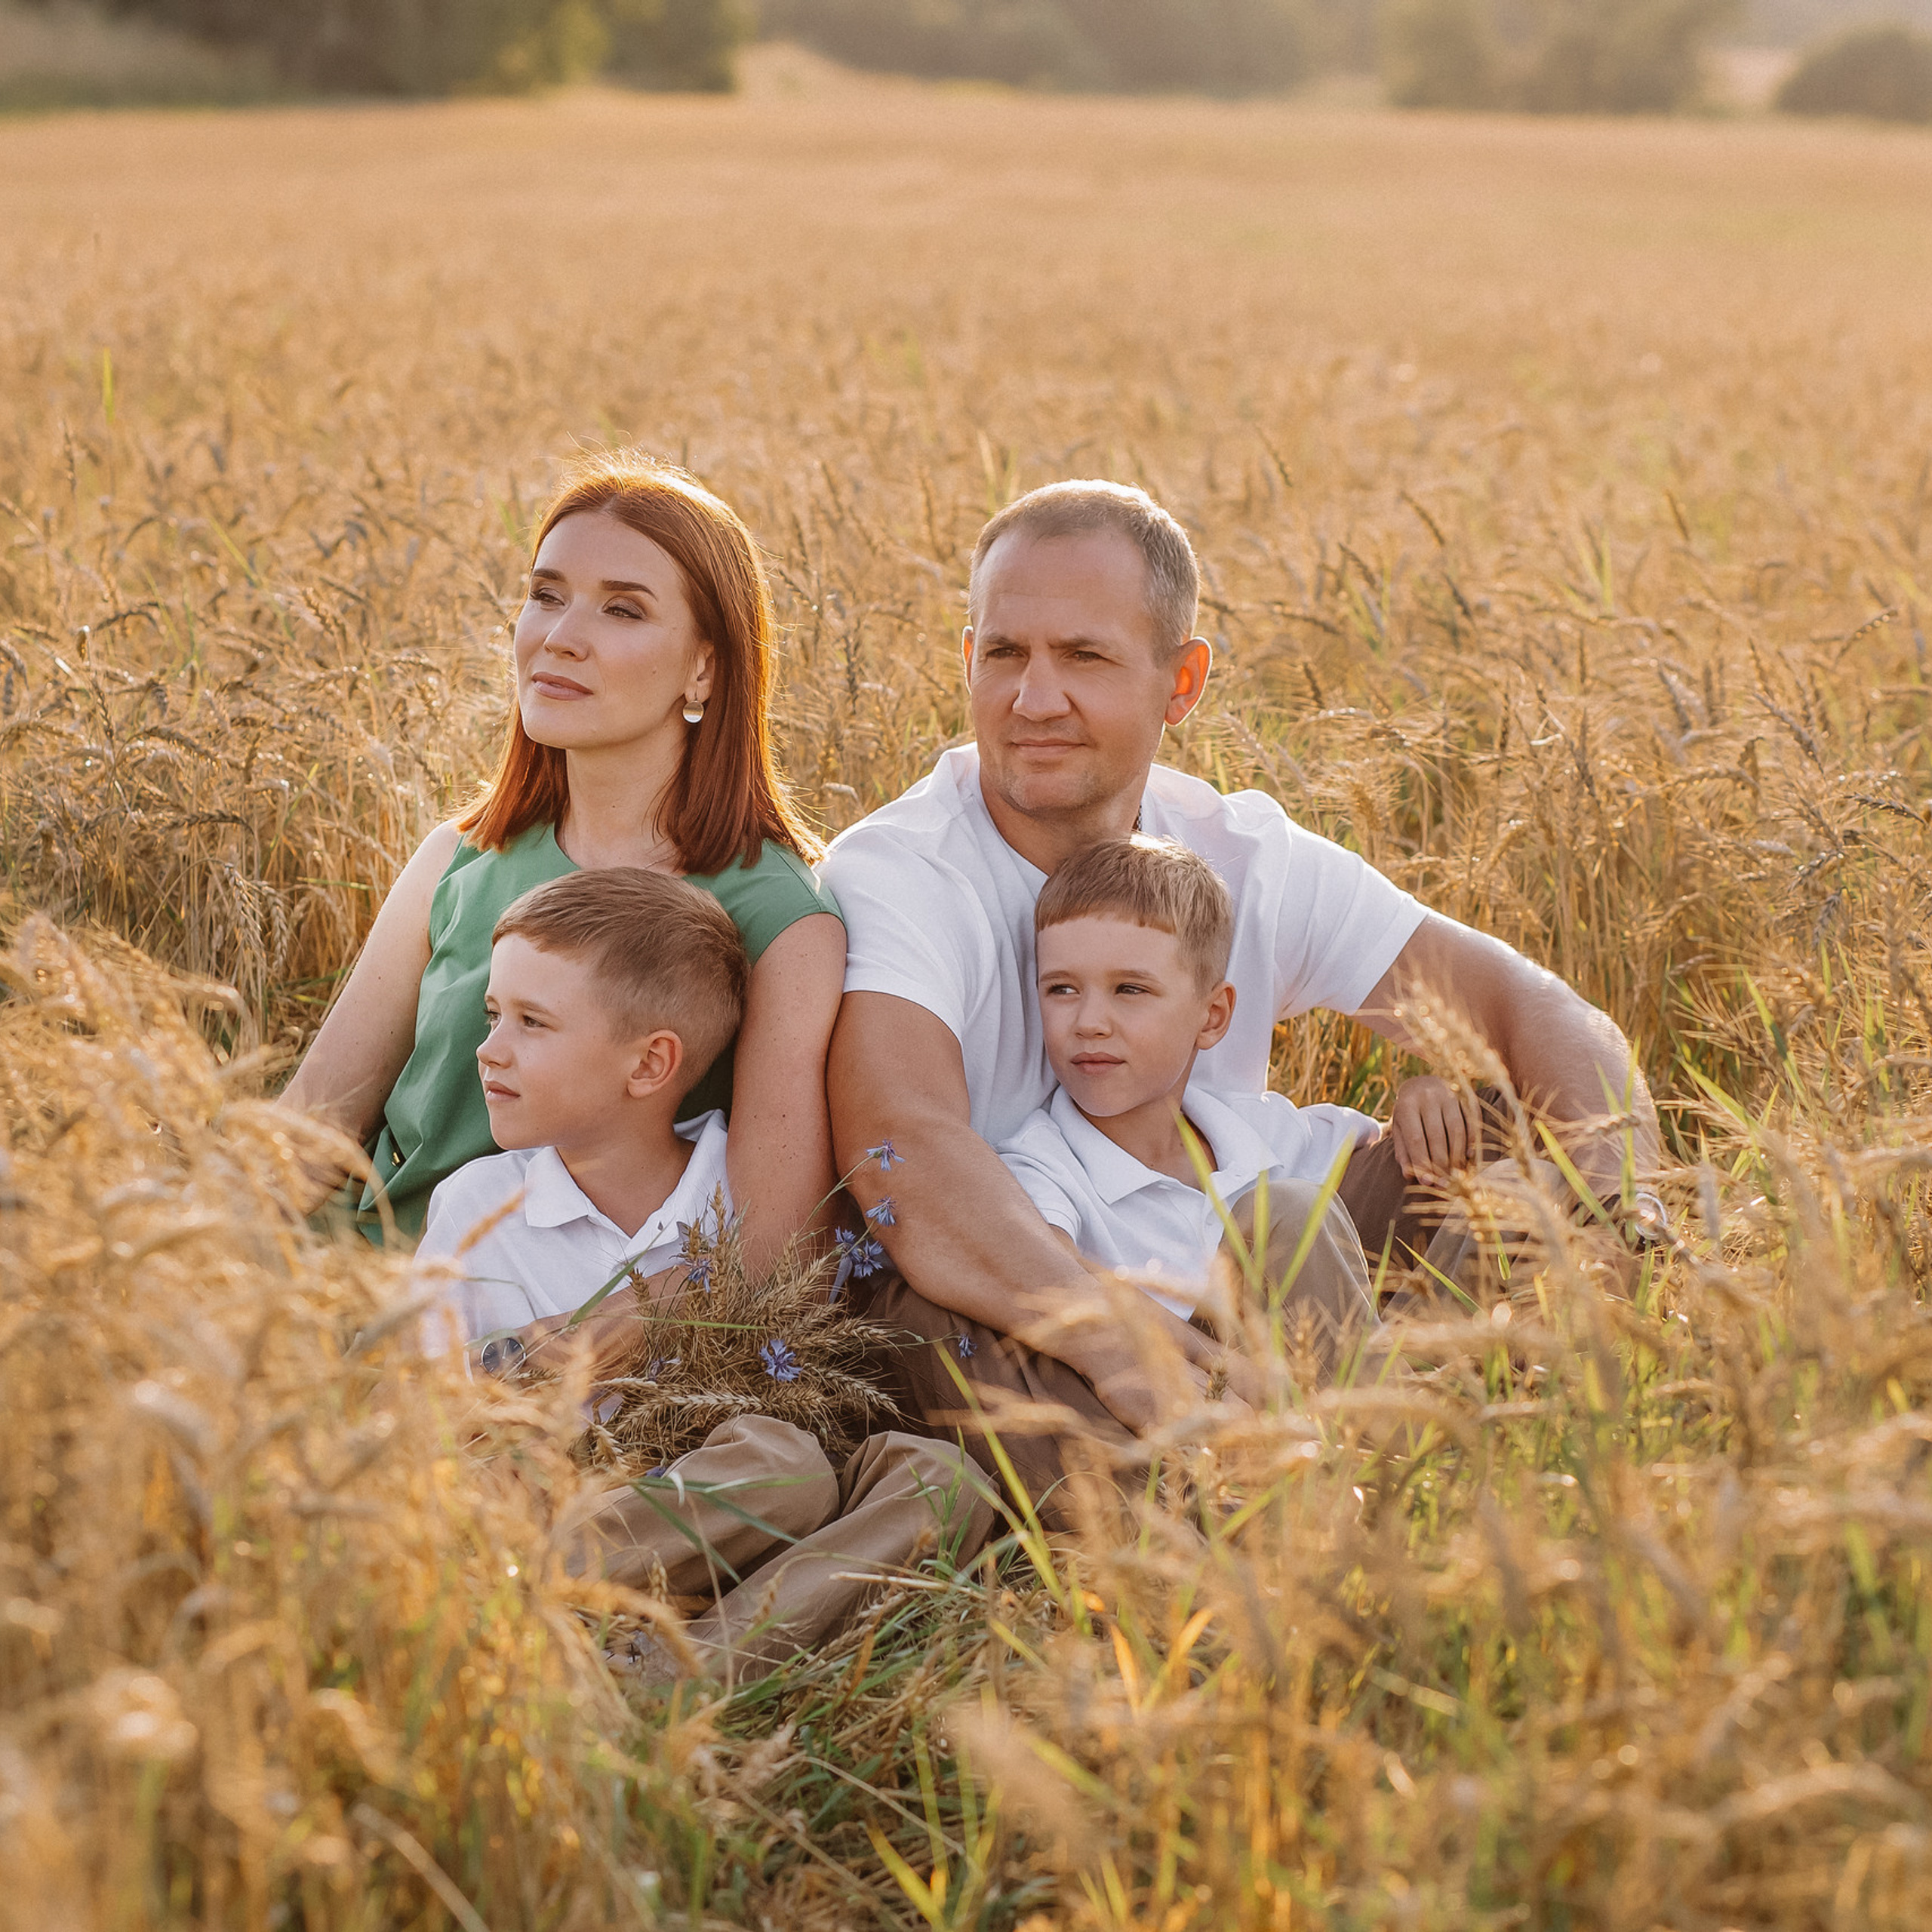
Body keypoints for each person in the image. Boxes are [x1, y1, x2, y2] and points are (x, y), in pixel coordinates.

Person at [823, 479, 1663, 1515]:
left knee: (1515, 1136)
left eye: (1083, 657)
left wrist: (1615, 1215)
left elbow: (1531, 1008)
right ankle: (1317, 1473)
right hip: (1017, 1293)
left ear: (1182, 682)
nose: (1034, 699)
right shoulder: (904, 868)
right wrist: (1105, 1331)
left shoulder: (1236, 852)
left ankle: (1347, 1440)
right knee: (928, 1323)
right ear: (968, 659)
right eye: (1004, 654)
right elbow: (899, 1142)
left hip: (1240, 1268)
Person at [417, 867, 994, 1682]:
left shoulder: (748, 1190)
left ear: (650, 1065)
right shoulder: (479, 1205)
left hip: (735, 1505)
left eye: (531, 1022)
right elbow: (425, 1404)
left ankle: (660, 1677)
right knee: (781, 1466)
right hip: (580, 1506)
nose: (488, 1048)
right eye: (492, 1014)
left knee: (943, 1482)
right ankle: (507, 1600)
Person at [282, 454, 844, 1275]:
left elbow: (770, 1250)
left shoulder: (780, 915)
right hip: (350, 1280)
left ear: (706, 666)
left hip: (559, 1315)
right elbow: (309, 1132)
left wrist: (558, 1347)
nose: (559, 638)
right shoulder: (458, 858)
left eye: (622, 610)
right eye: (545, 595)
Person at [998, 835, 1483, 1374]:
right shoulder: (1041, 1165)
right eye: (1061, 989)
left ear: (1212, 1016)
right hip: (1210, 1392)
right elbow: (1045, 1272)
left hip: (1331, 1374)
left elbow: (1387, 1167)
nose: (1089, 1022)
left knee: (1507, 1180)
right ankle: (1396, 1432)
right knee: (1288, 1209)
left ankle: (1457, 1399)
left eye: (1129, 990)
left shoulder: (1254, 1130)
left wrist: (1424, 1095)